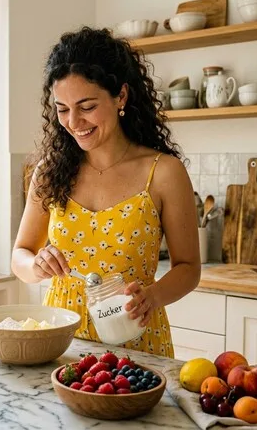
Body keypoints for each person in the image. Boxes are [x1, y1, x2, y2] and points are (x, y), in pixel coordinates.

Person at [11, 26, 200, 358]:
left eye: (86, 106)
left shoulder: (164, 172)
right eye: (62, 108)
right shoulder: (50, 172)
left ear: (121, 96)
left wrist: (152, 297)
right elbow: (20, 256)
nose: (73, 121)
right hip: (60, 344)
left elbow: (188, 268)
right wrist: (36, 264)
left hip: (136, 346)